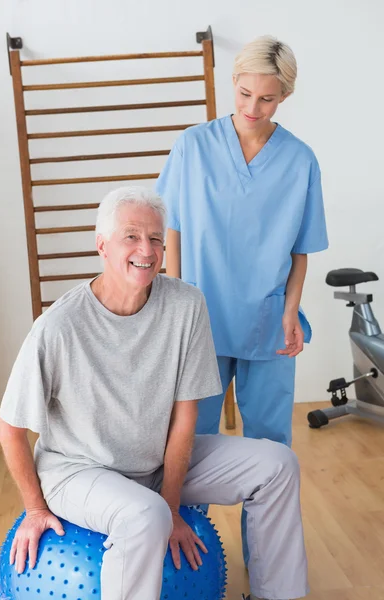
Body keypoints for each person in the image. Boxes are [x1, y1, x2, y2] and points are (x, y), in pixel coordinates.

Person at [0, 186, 309, 600]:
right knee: (146, 514)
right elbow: (9, 428)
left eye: (156, 238)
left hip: (155, 460)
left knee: (277, 464)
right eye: (131, 236)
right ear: (102, 245)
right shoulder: (58, 326)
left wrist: (173, 503)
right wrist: (36, 509)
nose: (146, 249)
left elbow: (184, 418)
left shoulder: (186, 305)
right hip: (79, 470)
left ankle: (275, 595)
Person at [156, 35, 328, 448]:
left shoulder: (300, 159)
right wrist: (174, 305)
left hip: (267, 321)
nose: (253, 108)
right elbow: (173, 231)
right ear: (233, 81)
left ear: (284, 95)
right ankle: (184, 517)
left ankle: (268, 517)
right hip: (201, 318)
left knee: (270, 446)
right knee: (190, 441)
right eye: (245, 93)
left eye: (267, 99)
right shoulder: (193, 146)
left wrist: (290, 311)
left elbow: (299, 250)